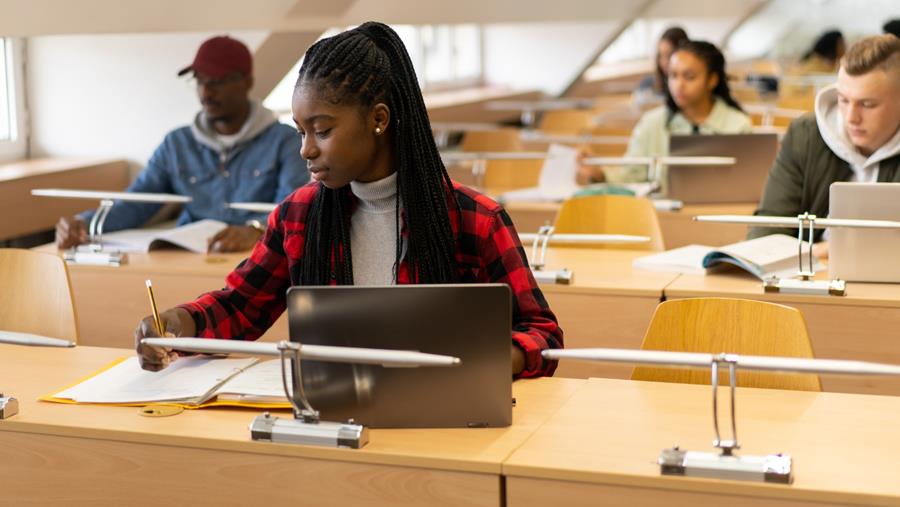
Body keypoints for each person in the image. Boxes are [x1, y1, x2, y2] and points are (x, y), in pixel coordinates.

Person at [133, 22, 564, 378]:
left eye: (322, 131)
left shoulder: (476, 220)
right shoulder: (298, 216)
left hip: (443, 421)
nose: (305, 149)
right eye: (300, 131)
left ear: (378, 119)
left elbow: (542, 335)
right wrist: (178, 324)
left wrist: (482, 364)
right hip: (333, 418)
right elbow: (240, 306)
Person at [55, 36, 308, 253]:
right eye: (199, 80)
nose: (205, 92)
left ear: (246, 82)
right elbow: (137, 202)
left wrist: (255, 230)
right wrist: (84, 223)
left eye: (216, 82)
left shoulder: (285, 141)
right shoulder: (177, 143)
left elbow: (291, 211)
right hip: (190, 257)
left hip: (256, 260)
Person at [748, 34, 900, 252]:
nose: (850, 117)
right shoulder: (805, 135)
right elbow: (766, 231)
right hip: (809, 275)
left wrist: (841, 250)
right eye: (843, 100)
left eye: (867, 104)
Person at [580, 40, 751, 190]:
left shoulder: (738, 125)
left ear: (712, 80)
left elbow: (747, 184)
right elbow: (631, 175)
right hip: (662, 219)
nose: (679, 85)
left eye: (689, 77)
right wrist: (599, 174)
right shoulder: (652, 123)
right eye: (673, 76)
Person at [634, 26, 689, 101]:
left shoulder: (688, 88)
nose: (664, 62)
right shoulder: (647, 84)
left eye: (669, 55)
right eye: (660, 55)